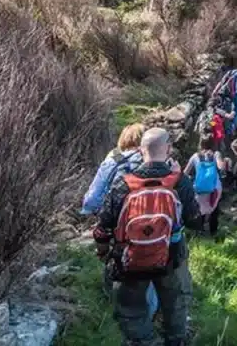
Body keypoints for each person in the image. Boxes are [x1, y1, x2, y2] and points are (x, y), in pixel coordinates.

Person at [94, 127, 204, 346]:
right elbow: (195, 221)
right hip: (172, 256)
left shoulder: (123, 184)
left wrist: (103, 251)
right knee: (176, 302)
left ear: (140, 150)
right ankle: (176, 340)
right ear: (168, 149)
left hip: (129, 259)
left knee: (131, 308)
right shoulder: (179, 181)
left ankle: (144, 341)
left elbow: (103, 226)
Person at [81, 124, 160, 320]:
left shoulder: (112, 161)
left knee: (115, 265)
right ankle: (149, 316)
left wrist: (100, 212)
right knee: (150, 269)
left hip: (118, 227)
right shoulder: (155, 164)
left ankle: (114, 314)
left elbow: (90, 201)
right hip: (151, 226)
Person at [184, 133, 226, 236]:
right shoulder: (216, 154)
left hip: (199, 187)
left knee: (200, 210)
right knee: (214, 209)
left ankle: (200, 231)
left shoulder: (195, 156)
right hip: (214, 188)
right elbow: (221, 167)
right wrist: (224, 162)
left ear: (201, 143)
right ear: (213, 143)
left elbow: (185, 172)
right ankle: (213, 232)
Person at [212, 61, 237, 134]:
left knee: (222, 107)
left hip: (224, 92)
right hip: (234, 95)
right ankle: (232, 129)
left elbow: (221, 82)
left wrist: (215, 90)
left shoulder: (230, 72)